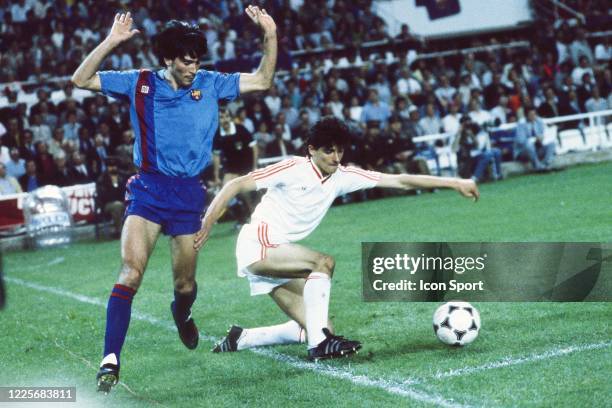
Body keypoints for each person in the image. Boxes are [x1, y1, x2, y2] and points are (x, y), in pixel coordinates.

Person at [71, 6, 277, 393]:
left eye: (196, 61)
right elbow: (80, 79)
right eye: (185, 61)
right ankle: (110, 359)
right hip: (148, 189)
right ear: (167, 58)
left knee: (184, 286)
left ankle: (182, 314)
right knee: (131, 273)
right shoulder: (140, 82)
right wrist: (112, 41)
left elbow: (264, 80)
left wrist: (270, 33)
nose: (191, 68)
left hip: (188, 194)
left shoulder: (212, 84)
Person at [195, 117, 478, 360]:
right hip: (259, 244)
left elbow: (400, 180)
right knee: (323, 263)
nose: (335, 157)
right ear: (311, 150)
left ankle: (242, 338)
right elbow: (235, 184)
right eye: (328, 151)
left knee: (318, 324)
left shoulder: (343, 176)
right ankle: (320, 346)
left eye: (340, 150)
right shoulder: (294, 167)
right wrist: (207, 222)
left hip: (280, 255)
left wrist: (454, 182)